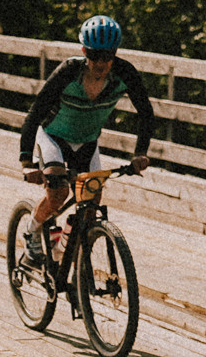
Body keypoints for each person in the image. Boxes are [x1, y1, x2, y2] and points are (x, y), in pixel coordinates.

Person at [18, 15, 155, 259]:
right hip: (53, 138)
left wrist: (140, 153)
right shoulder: (69, 71)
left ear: (115, 53)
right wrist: (27, 163)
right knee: (58, 195)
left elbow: (146, 113)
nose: (100, 63)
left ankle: (64, 251)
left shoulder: (125, 73)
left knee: (91, 206)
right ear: (83, 51)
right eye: (93, 55)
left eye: (107, 56)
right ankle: (31, 230)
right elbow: (36, 112)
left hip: (87, 142)